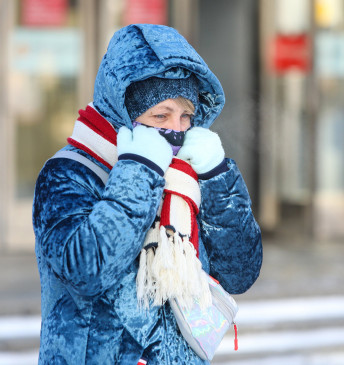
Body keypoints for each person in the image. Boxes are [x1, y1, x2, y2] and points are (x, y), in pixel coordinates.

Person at [32, 24, 262, 364]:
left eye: (186, 116)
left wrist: (216, 176)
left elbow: (240, 272)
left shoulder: (188, 177)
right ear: (124, 112)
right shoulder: (68, 173)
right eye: (160, 115)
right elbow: (86, 269)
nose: (177, 129)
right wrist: (139, 169)